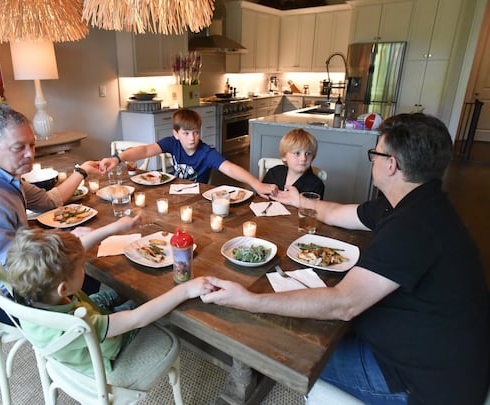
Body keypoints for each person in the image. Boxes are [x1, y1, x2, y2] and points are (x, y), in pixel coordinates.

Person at [201, 113, 490, 404]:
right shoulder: (413, 202)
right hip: (414, 345)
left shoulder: (413, 226)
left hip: (420, 382)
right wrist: (300, 201)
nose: (373, 160)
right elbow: (339, 212)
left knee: (285, 340)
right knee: (302, 316)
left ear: (392, 164)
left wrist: (251, 301)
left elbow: (344, 303)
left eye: (375, 154)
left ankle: (248, 382)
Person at [0, 104, 139, 320]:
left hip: (8, 276)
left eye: (32, 145)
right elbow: (11, 279)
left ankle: (97, 306)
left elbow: (48, 201)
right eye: (19, 148)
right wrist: (63, 241)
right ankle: (97, 324)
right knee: (74, 263)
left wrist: (82, 171)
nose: (30, 154)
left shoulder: (3, 176)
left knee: (80, 266)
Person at [5, 227, 214, 375]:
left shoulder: (30, 291)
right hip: (105, 345)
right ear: (63, 288)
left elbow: (73, 254)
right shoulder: (75, 324)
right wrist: (185, 291)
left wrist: (118, 227)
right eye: (81, 267)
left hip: (85, 311)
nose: (83, 267)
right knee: (145, 301)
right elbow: (135, 319)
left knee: (128, 294)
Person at [99, 108, 277, 198]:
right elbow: (145, 150)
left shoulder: (206, 152)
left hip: (197, 198)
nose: (192, 138)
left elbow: (230, 168)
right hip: (173, 193)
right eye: (186, 133)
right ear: (176, 134)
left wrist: (256, 184)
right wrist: (118, 158)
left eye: (196, 132)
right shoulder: (171, 143)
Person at [262, 128, 325, 198]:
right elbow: (260, 199)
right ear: (284, 156)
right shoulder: (273, 173)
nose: (303, 158)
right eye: (297, 153)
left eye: (308, 153)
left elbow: (314, 208)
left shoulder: (316, 185)